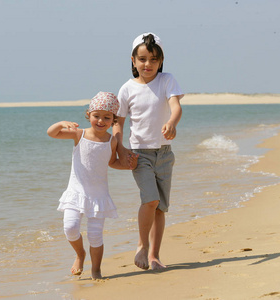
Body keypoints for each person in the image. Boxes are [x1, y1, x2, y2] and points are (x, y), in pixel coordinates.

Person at [112, 32, 184, 271]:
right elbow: (118, 123)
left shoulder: (167, 80)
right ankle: (141, 246)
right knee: (150, 199)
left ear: (161, 61)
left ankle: (154, 255)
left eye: (154, 59)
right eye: (142, 59)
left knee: (160, 207)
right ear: (133, 60)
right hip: (139, 154)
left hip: (165, 153)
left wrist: (172, 122)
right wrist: (120, 148)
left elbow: (176, 107)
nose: (148, 64)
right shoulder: (126, 89)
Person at [47, 92, 137, 279]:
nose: (101, 120)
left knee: (95, 236)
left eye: (107, 117)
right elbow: (52, 133)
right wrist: (62, 123)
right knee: (70, 228)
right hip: (76, 192)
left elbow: (112, 162)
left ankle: (96, 269)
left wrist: (130, 165)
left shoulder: (111, 141)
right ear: (89, 115)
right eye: (97, 116)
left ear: (113, 120)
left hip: (98, 196)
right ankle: (80, 254)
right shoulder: (79, 134)